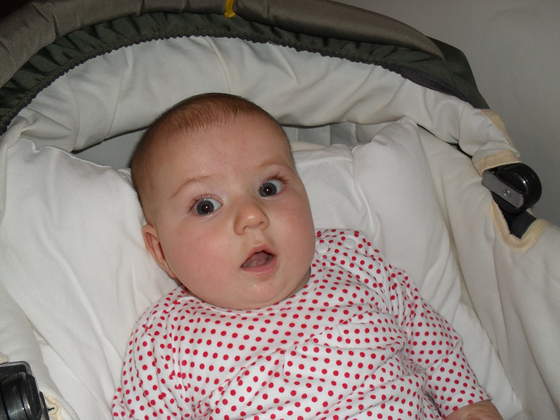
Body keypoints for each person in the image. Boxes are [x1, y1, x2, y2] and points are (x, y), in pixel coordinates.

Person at [112, 93, 502, 419]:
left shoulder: (350, 258)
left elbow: (423, 330)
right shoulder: (167, 340)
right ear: (161, 251)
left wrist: (468, 404)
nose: (252, 216)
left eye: (268, 188)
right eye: (205, 206)